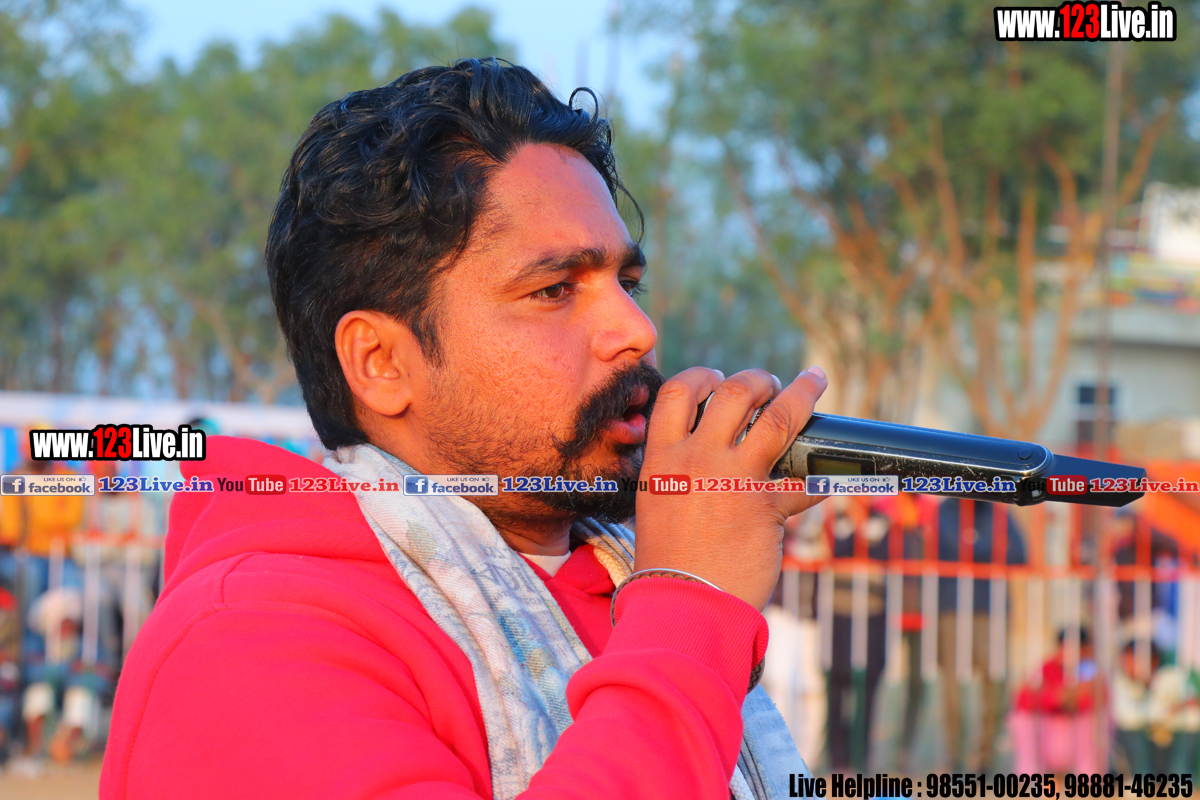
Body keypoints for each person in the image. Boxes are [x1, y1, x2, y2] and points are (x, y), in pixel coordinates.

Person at [101, 59, 829, 799]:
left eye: (627, 284)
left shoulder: (620, 583)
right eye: (555, 289)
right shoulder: (248, 639)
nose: (637, 331)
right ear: (382, 362)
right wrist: (691, 604)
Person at [935, 498, 1026, 772]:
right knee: (952, 690)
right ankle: (955, 759)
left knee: (996, 685)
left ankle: (985, 759)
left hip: (991, 608)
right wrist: (989, 547)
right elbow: (945, 548)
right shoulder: (946, 511)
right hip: (952, 608)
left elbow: (1019, 554)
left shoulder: (998, 512)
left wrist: (974, 546)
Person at [1009, 628, 1103, 774]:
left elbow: (1095, 699)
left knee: (1090, 720)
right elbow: (1023, 699)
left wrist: (1070, 697)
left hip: (1075, 737)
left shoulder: (1090, 670)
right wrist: (1057, 697)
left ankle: (1088, 778)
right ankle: (1030, 776)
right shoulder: (1046, 668)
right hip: (1049, 737)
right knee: (1023, 719)